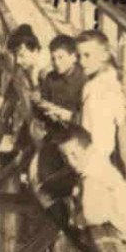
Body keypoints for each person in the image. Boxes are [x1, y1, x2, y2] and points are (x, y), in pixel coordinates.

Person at [58, 31, 126, 244]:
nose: (82, 62)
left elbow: (110, 134)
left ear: (104, 55)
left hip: (94, 157)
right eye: (80, 56)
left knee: (91, 211)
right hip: (92, 156)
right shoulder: (103, 82)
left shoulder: (102, 88)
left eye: (87, 56)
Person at [28, 35, 84, 205]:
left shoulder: (84, 81)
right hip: (56, 137)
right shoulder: (51, 78)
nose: (56, 62)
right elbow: (39, 110)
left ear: (74, 57)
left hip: (79, 142)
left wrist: (65, 115)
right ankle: (62, 217)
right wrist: (41, 107)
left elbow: (88, 118)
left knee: (52, 184)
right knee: (36, 179)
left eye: (61, 57)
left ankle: (71, 218)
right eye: (53, 58)